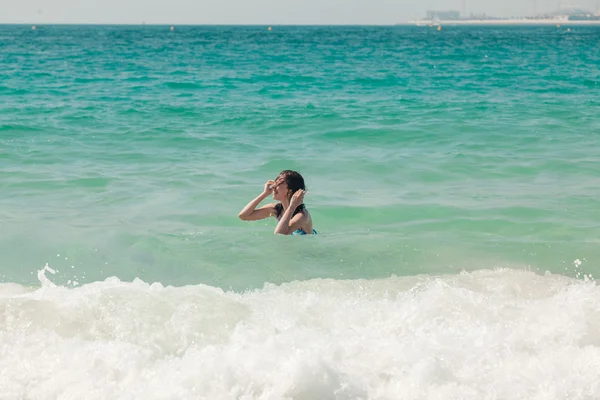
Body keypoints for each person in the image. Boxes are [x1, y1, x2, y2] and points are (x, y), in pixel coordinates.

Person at [238, 170, 316, 235]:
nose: (274, 187)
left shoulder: (301, 216)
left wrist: (292, 207)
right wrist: (264, 194)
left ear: (290, 191)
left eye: (278, 184)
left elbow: (280, 234)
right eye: (275, 183)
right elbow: (243, 216)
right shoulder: (276, 209)